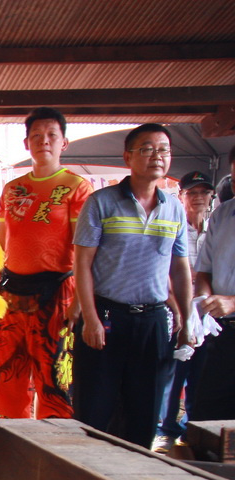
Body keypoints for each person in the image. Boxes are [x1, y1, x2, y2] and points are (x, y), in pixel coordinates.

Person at [71, 124, 192, 448]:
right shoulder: (101, 203)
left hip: (152, 322)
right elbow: (82, 263)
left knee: (143, 415)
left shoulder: (175, 208)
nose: (158, 156)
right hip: (107, 318)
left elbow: (180, 268)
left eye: (164, 149)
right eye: (148, 148)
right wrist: (92, 319)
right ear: (128, 156)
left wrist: (186, 319)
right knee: (94, 414)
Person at [0, 108, 93, 419]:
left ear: (64, 143)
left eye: (51, 135)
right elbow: (0, 243)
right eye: (36, 135)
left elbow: (85, 250)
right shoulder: (12, 188)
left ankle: (51, 453)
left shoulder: (77, 187)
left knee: (54, 380)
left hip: (58, 293)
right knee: (5, 372)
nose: (43, 141)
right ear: (26, 143)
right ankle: (7, 442)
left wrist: (80, 304)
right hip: (11, 293)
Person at [156, 169, 216, 448]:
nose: (198, 198)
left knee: (202, 374)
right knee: (173, 371)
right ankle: (166, 428)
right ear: (181, 197)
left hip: (210, 313)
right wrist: (181, 309)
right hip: (176, 309)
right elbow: (169, 271)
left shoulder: (219, 227)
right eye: (192, 193)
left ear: (212, 196)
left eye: (204, 192)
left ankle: (192, 430)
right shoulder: (175, 225)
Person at [191, 146, 235, 423]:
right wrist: (203, 302)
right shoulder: (222, 214)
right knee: (207, 417)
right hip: (223, 335)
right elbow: (204, 269)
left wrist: (232, 302)